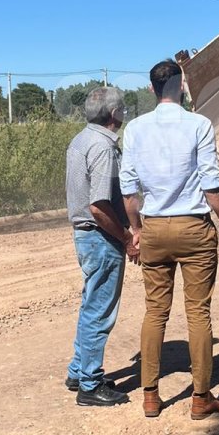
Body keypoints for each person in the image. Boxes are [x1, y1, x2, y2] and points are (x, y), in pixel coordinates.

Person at [120, 59, 219, 420]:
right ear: (179, 84)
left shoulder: (136, 128)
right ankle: (201, 399)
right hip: (193, 228)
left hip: (154, 228)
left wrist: (137, 230)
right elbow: (211, 184)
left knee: (155, 311)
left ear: (154, 89)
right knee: (198, 312)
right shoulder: (199, 125)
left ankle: (151, 396)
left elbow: (128, 190)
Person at [65, 86, 139, 407]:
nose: (124, 113)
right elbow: (98, 205)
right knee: (99, 310)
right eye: (123, 108)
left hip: (84, 235)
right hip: (100, 236)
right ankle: (90, 385)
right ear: (114, 115)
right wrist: (125, 236)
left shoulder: (80, 140)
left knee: (90, 302)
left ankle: (79, 371)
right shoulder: (103, 147)